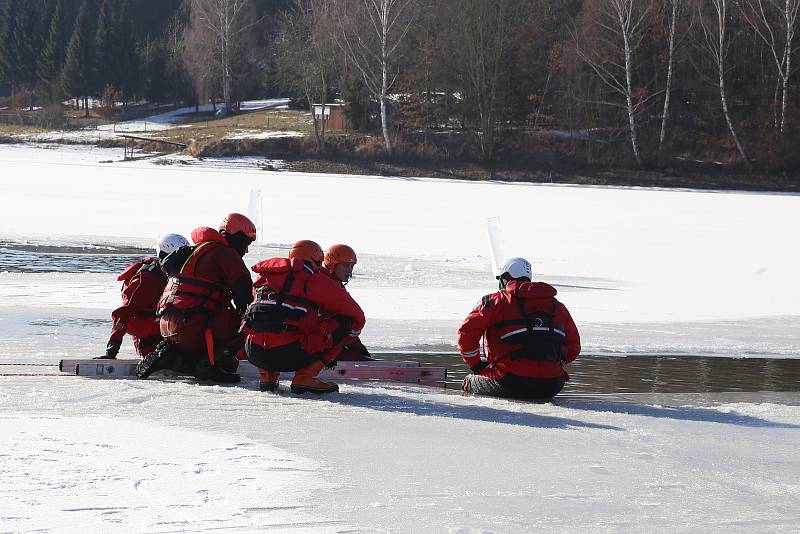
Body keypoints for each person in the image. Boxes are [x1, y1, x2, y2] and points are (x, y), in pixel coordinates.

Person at [141, 213, 256, 383]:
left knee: (212, 312)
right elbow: (247, 296)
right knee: (256, 317)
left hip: (167, 326)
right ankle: (211, 364)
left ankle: (177, 356)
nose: (246, 251)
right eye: (246, 244)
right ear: (236, 237)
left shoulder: (197, 250)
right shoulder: (226, 254)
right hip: (193, 328)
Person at [244, 240, 366, 394]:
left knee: (267, 322)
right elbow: (358, 316)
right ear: (317, 261)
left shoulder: (263, 277)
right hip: (289, 354)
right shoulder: (315, 280)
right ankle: (306, 377)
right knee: (346, 322)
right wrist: (346, 344)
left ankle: (267, 376)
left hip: (254, 353)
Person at [457, 257, 580, 400]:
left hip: (509, 381)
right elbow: (574, 348)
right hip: (552, 384)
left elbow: (466, 334)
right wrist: (551, 364)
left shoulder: (494, 302)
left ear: (505, 278)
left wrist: (477, 365)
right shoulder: (558, 307)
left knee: (469, 382)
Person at [100, 233, 190, 359]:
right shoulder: (146, 279)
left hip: (159, 323)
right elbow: (123, 313)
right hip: (144, 325)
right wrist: (112, 349)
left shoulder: (172, 275)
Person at [320, 244, 373, 361]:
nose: (349, 270)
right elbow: (355, 317)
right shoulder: (327, 285)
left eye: (351, 266)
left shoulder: (328, 281)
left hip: (319, 337)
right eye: (345, 266)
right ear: (332, 265)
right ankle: (323, 359)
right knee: (346, 322)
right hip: (315, 341)